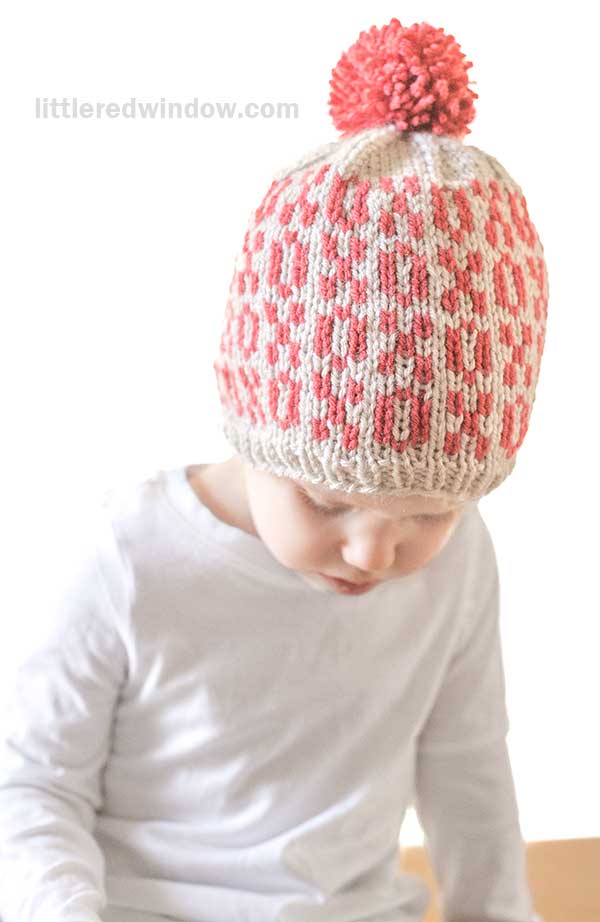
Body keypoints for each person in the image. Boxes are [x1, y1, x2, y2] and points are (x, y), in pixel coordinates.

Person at [0, 17, 549, 922]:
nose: (377, 552)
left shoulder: (460, 563)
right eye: (331, 498)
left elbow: (466, 763)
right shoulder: (127, 555)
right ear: (257, 431)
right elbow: (30, 786)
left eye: (427, 514)